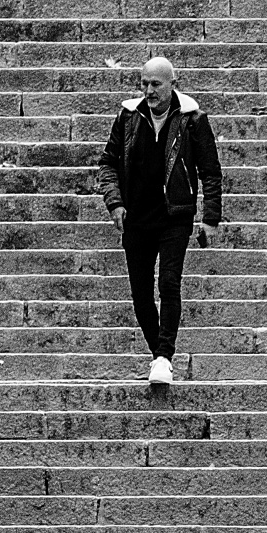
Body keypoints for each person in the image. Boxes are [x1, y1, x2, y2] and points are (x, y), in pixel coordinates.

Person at [97, 56, 223, 388]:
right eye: (144, 84)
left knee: (168, 283)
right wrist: (115, 203)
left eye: (156, 84)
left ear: (172, 84)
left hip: (175, 216)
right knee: (140, 294)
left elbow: (210, 171)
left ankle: (165, 355)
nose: (149, 91)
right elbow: (108, 163)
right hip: (136, 218)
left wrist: (210, 218)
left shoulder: (192, 119)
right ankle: (159, 355)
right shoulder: (128, 117)